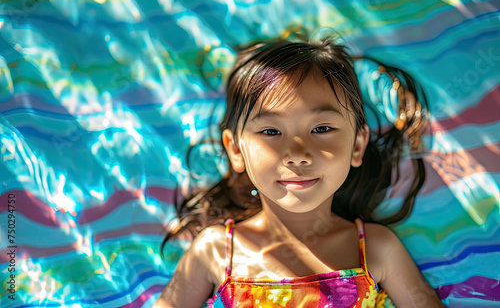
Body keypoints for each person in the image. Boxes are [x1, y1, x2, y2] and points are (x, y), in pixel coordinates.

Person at [153, 35, 444, 307]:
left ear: (357, 146)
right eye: (270, 131)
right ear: (236, 150)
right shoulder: (215, 251)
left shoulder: (377, 249)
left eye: (321, 128)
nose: (297, 154)